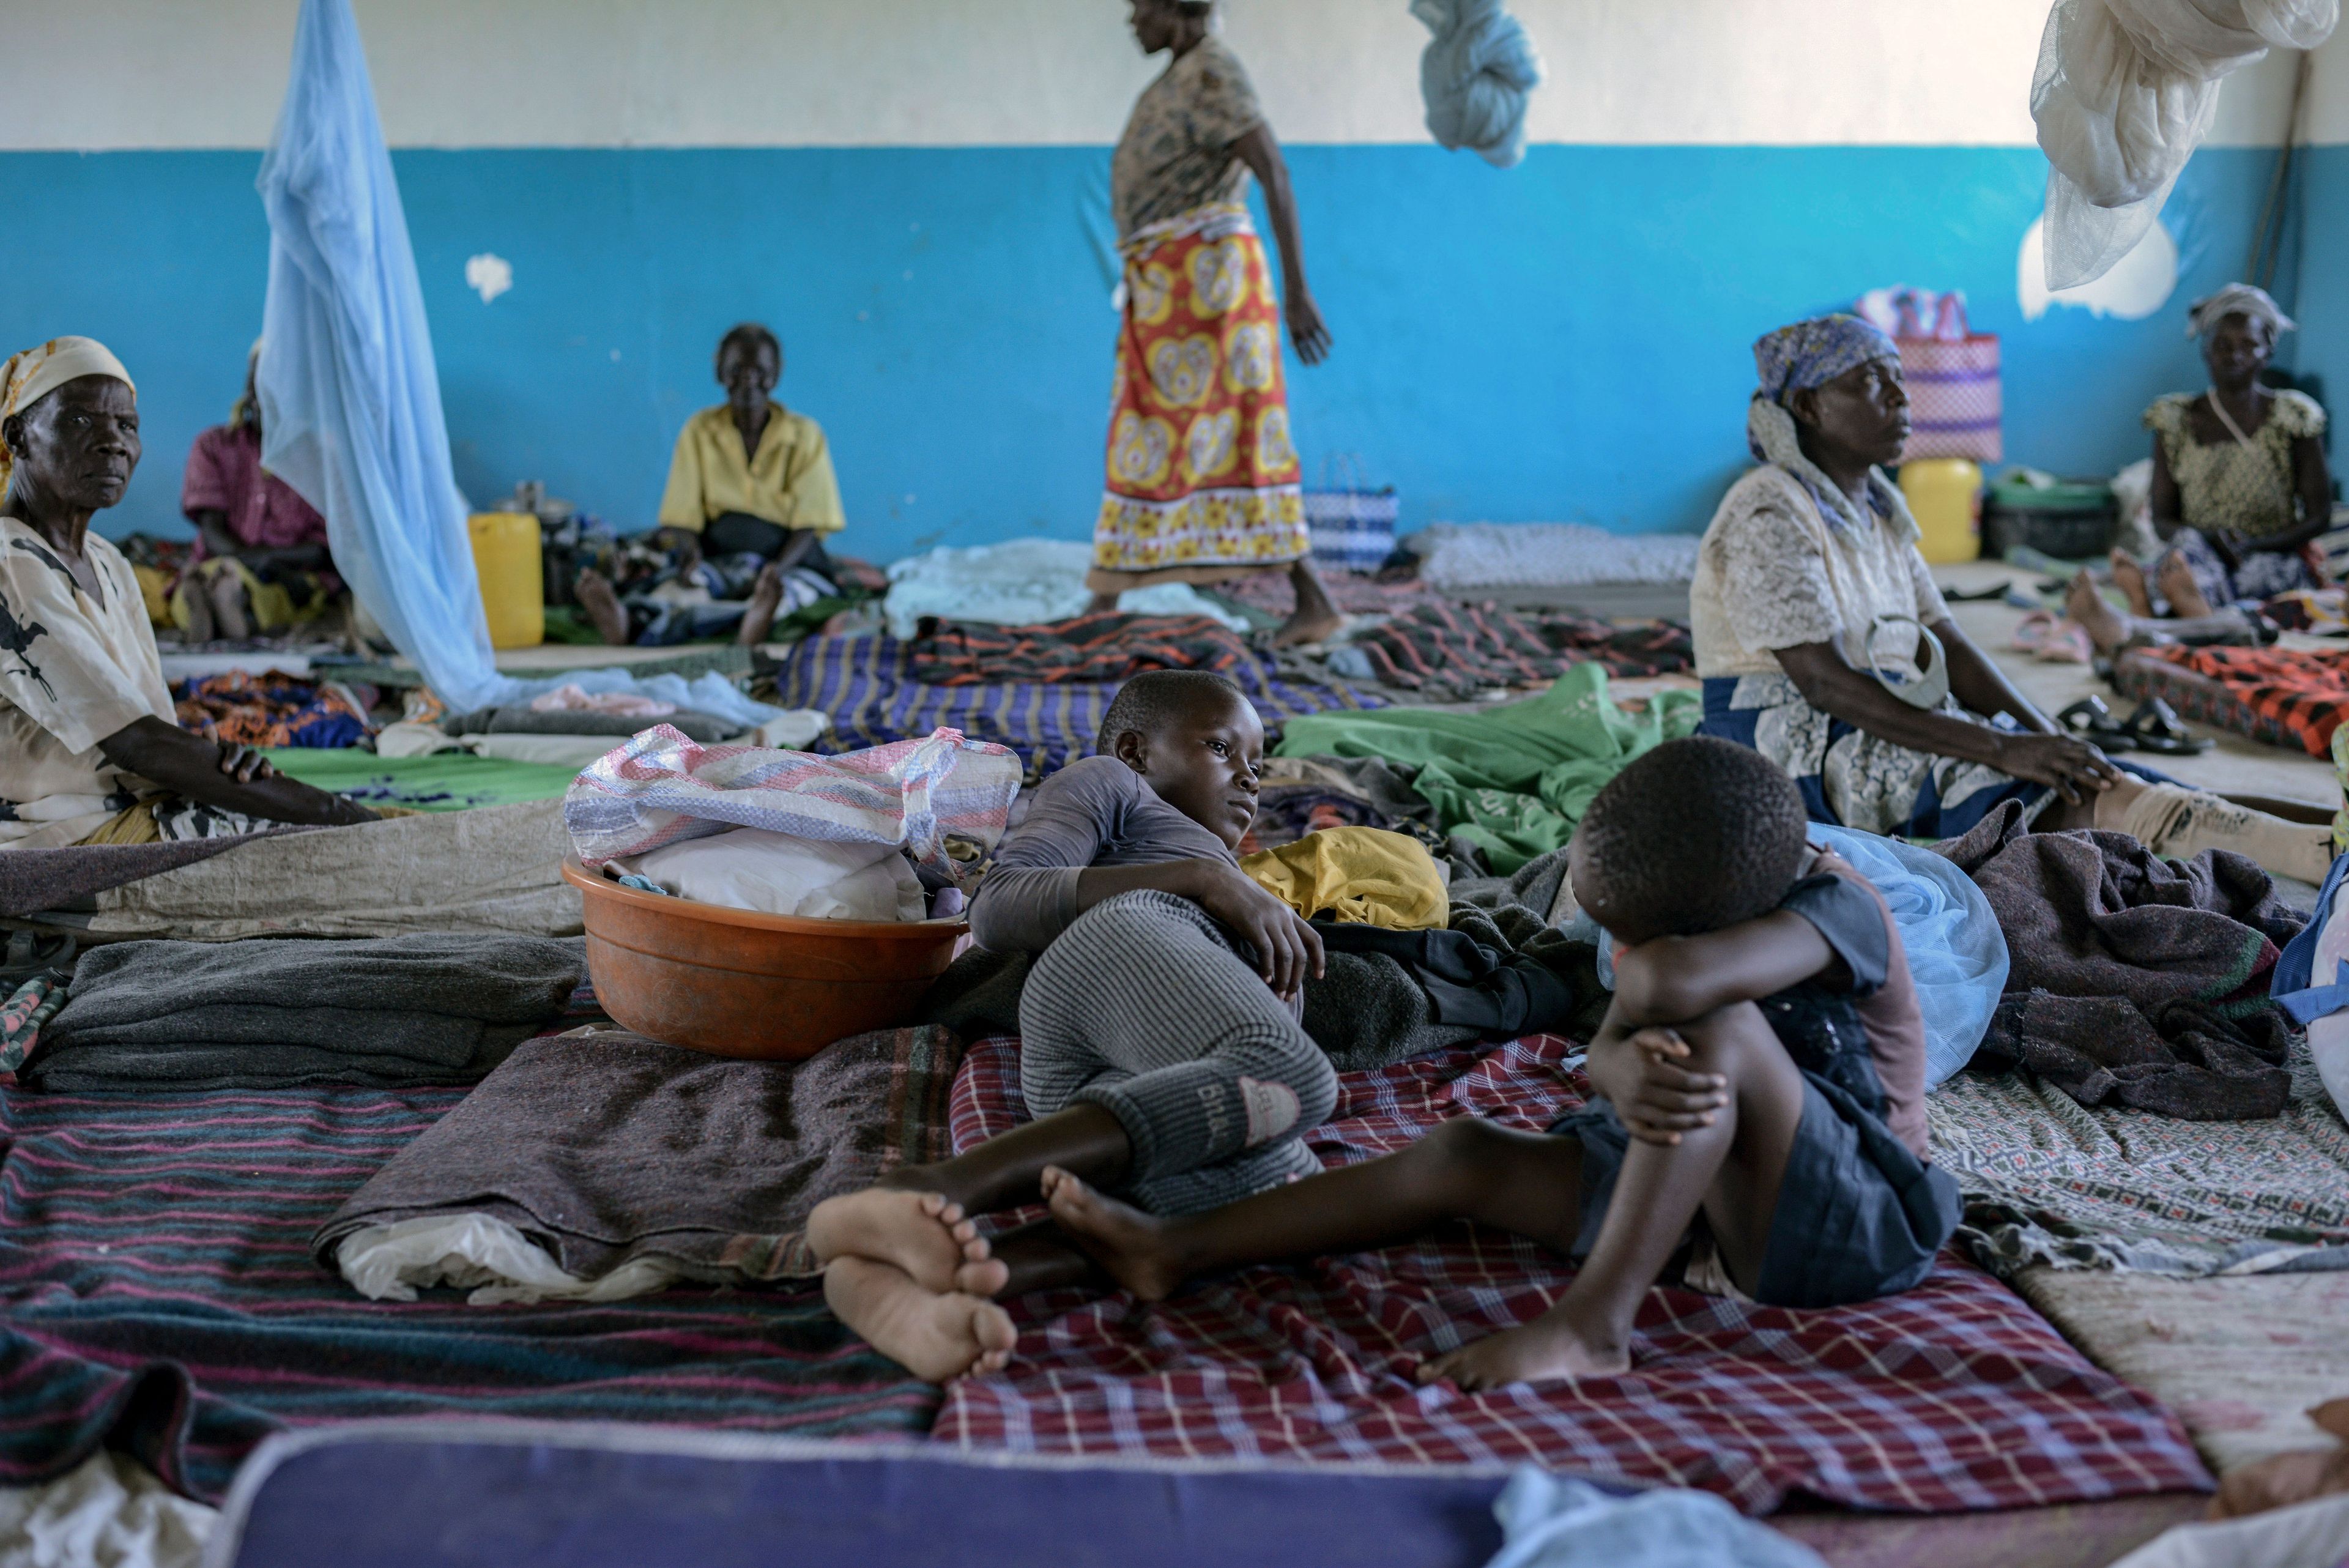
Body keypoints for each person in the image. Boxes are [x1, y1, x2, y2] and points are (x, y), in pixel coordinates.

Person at [1034, 738, 1959, 1387]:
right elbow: (1612, 1040)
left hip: (1842, 1221)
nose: (1626, 953)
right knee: (1464, 1152)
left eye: (1639, 937)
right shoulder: (1686, 927)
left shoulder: (1840, 908)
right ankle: (1174, 1248)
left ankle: (1593, 1329)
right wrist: (1618, 1072)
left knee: (1711, 1034)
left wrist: (1641, 1013)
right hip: (1697, 1191)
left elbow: (1670, 986)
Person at [806, 669, 1338, 1380]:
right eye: (1221, 748)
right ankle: (923, 1188)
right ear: (1135, 750)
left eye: (1258, 765)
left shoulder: (1232, 873)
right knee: (1298, 1077)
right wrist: (1203, 880)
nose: (1249, 779)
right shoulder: (1115, 785)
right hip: (1105, 964)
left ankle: (922, 1286)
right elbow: (1000, 906)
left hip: (1123, 1093)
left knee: (1286, 1184)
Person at [1691, 314, 2332, 880]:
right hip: (1792, 742)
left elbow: (1948, 639)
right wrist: (2007, 748)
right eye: (1869, 381)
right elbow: (1825, 685)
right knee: (2047, 792)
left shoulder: (1879, 507)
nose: (1899, 395)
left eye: (1898, 377)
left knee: (2096, 772)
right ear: (1807, 405)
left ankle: (2328, 828)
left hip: (1877, 709)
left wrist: (2045, 732)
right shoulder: (1769, 512)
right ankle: (2316, 853)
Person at [0, 338, 377, 849]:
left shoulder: (108, 562)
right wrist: (343, 815)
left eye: (127, 426)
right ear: (17, 436)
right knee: (355, 843)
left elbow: (150, 727)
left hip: (134, 805)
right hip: (53, 836)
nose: (113, 442)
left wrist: (203, 757)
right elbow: (139, 743)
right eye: (80, 421)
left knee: (362, 833)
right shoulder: (10, 561)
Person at [1086, 0, 1340, 647]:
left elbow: (1272, 169)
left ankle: (1313, 598)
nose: (1131, 22)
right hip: (1173, 287)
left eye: (1141, 8)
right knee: (1152, 430)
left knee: (1239, 432)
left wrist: (1299, 292)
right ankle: (1102, 597)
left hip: (1210, 285)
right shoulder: (1184, 74)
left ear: (1177, 9)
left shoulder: (1213, 71)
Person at [575, 322, 845, 648]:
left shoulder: (805, 435)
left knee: (793, 594)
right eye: (736, 370)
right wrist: (690, 556)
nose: (748, 380)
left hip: (787, 559)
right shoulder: (699, 430)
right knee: (687, 588)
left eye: (760, 370)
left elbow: (809, 525)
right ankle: (629, 621)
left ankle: (757, 616)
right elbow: (683, 516)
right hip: (722, 558)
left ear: (777, 374)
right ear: (719, 373)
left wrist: (776, 571)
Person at [2120, 284, 2332, 618]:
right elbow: (2162, 520)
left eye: (2249, 345)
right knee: (2186, 559)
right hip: (2201, 547)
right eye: (2222, 345)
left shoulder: (2293, 418)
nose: (2234, 355)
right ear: (2206, 351)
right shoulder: (2174, 419)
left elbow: (2320, 516)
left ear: (2269, 351)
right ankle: (2193, 608)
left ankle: (2187, 613)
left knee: (2262, 577)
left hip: (2268, 551)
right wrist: (2210, 539)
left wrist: (2254, 544)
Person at [173, 338, 342, 643]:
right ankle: (215, 608)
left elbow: (323, 549)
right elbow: (213, 534)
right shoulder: (213, 445)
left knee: (279, 594)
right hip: (225, 560)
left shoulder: (321, 460)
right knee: (208, 577)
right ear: (248, 391)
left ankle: (231, 610)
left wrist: (266, 563)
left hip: (290, 574)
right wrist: (259, 560)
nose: (267, 400)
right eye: (260, 388)